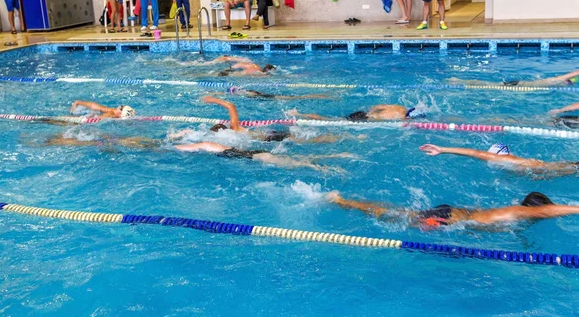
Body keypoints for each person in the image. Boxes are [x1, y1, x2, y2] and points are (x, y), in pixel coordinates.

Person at [44, 133, 348, 173]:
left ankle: (325, 166)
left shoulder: (208, 144)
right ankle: (329, 161)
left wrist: (172, 145)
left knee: (292, 165)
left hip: (249, 156)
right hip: (247, 153)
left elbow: (191, 147)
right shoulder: (218, 143)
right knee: (293, 162)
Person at [327, 191, 579, 229]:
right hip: (445, 220)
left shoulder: (513, 212)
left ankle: (345, 201)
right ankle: (341, 202)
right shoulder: (524, 213)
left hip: (452, 213)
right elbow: (548, 212)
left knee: (398, 212)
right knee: (394, 217)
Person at [199, 96, 358, 143]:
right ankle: (340, 137)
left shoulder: (232, 133)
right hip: (269, 134)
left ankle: (340, 138)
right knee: (304, 137)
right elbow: (231, 105)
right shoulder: (235, 128)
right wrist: (213, 99)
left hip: (269, 137)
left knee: (307, 140)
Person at [420, 143, 579, 177]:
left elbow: (474, 152)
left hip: (539, 169)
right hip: (535, 171)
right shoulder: (507, 160)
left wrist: (443, 149)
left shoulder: (500, 159)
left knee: (571, 169)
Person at [288, 104, 425, 122]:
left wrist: (370, 113)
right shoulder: (401, 117)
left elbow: (378, 106)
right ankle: (299, 114)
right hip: (364, 118)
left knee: (333, 119)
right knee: (329, 120)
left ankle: (299, 113)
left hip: (363, 113)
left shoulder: (400, 107)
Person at [449, 70, 579, 87]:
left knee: (490, 84)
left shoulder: (569, 82)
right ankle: (458, 81)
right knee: (487, 85)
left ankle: (459, 81)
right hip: (521, 85)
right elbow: (559, 78)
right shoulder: (557, 81)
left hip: (521, 85)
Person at [214, 86, 330, 100]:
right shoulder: (246, 91)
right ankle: (321, 96)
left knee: (298, 97)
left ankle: (320, 96)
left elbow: (254, 94)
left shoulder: (246, 93)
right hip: (268, 96)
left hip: (271, 97)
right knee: (298, 97)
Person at [70, 100, 136, 119]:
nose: (119, 106)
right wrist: (78, 102)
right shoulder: (112, 112)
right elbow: (95, 106)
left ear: (120, 114)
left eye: (121, 108)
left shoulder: (112, 114)